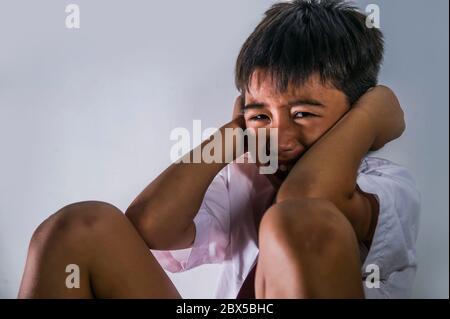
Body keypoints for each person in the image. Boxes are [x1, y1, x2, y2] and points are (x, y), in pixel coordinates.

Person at [18, 0, 421, 299]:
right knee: (81, 228)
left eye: (302, 114)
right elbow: (149, 226)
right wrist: (232, 135)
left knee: (298, 221)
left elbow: (305, 200)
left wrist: (369, 120)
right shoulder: (247, 180)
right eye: (261, 116)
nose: (279, 138)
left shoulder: (387, 185)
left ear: (353, 110)